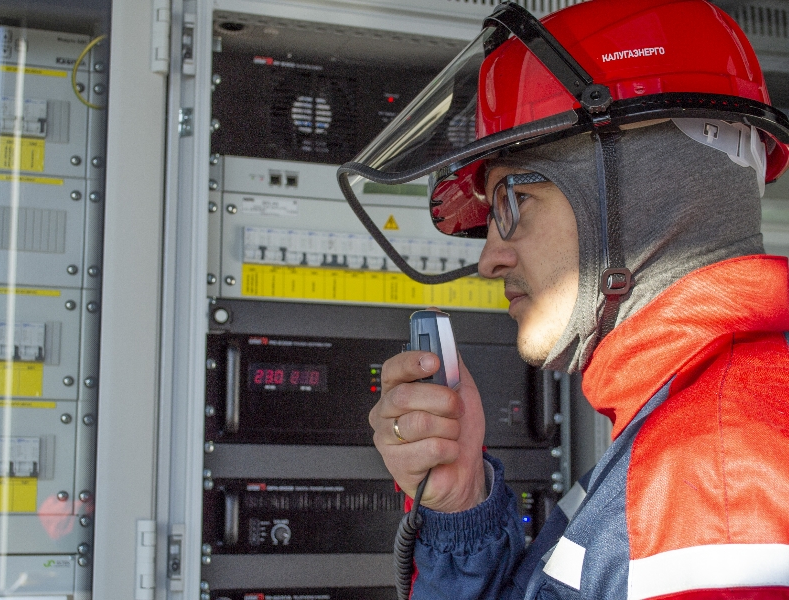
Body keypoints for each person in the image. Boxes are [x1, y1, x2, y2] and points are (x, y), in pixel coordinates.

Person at [338, 0, 789, 597]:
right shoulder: (676, 431)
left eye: (512, 201)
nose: (489, 257)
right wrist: (460, 502)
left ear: (646, 193)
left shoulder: (717, 475)